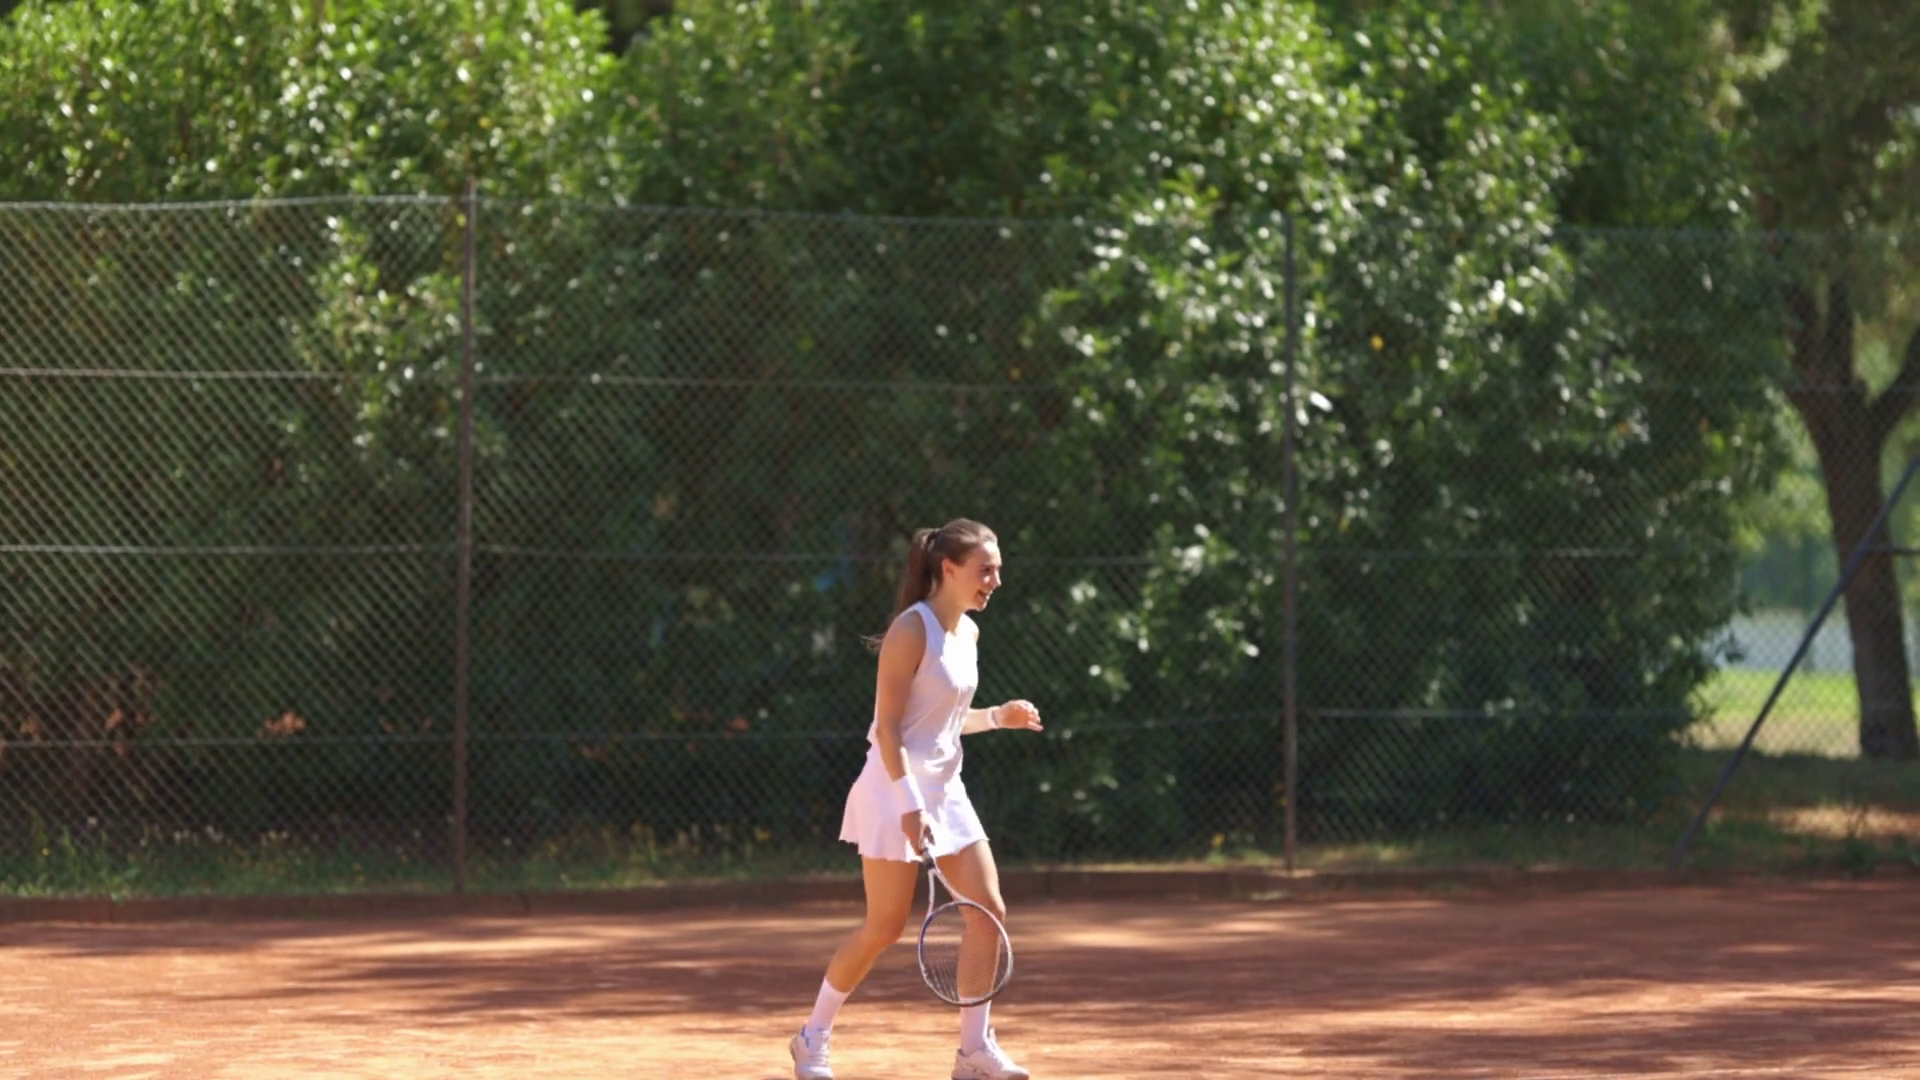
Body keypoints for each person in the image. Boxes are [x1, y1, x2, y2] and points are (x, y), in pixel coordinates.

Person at [790, 518, 1042, 1080]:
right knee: (884, 927)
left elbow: (943, 721)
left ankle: (973, 1052)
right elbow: (889, 729)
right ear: (948, 569)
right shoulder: (911, 630)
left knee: (988, 914)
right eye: (985, 570)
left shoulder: (968, 633)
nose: (996, 581)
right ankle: (811, 1037)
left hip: (946, 792)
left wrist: (997, 717)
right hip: (891, 788)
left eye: (998, 570)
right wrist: (909, 804)